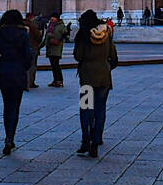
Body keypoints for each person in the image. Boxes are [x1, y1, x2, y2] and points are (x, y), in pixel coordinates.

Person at [73, 11, 117, 159]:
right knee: (100, 109)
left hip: (87, 79)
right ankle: (96, 141)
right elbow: (114, 56)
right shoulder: (107, 34)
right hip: (104, 78)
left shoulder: (83, 35)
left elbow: (78, 56)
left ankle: (86, 139)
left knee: (86, 109)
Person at [0, 9, 34, 155]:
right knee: (15, 107)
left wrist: (1, 67)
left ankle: (7, 138)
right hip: (18, 74)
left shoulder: (2, 33)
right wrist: (23, 67)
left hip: (5, 74)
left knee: (6, 107)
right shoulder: (23, 34)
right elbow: (28, 56)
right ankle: (10, 138)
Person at [44, 14, 67, 86]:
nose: (52, 18)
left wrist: (58, 41)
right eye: (51, 17)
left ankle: (59, 80)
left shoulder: (61, 26)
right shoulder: (50, 26)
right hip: (50, 48)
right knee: (53, 65)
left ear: (57, 18)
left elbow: (65, 35)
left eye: (53, 17)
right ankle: (55, 80)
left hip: (57, 48)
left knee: (56, 64)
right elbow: (46, 37)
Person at [25, 12, 44, 90]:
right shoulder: (32, 25)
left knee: (24, 65)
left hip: (23, 48)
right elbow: (38, 36)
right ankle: (30, 82)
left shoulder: (21, 25)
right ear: (31, 17)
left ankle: (24, 82)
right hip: (33, 47)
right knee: (32, 65)